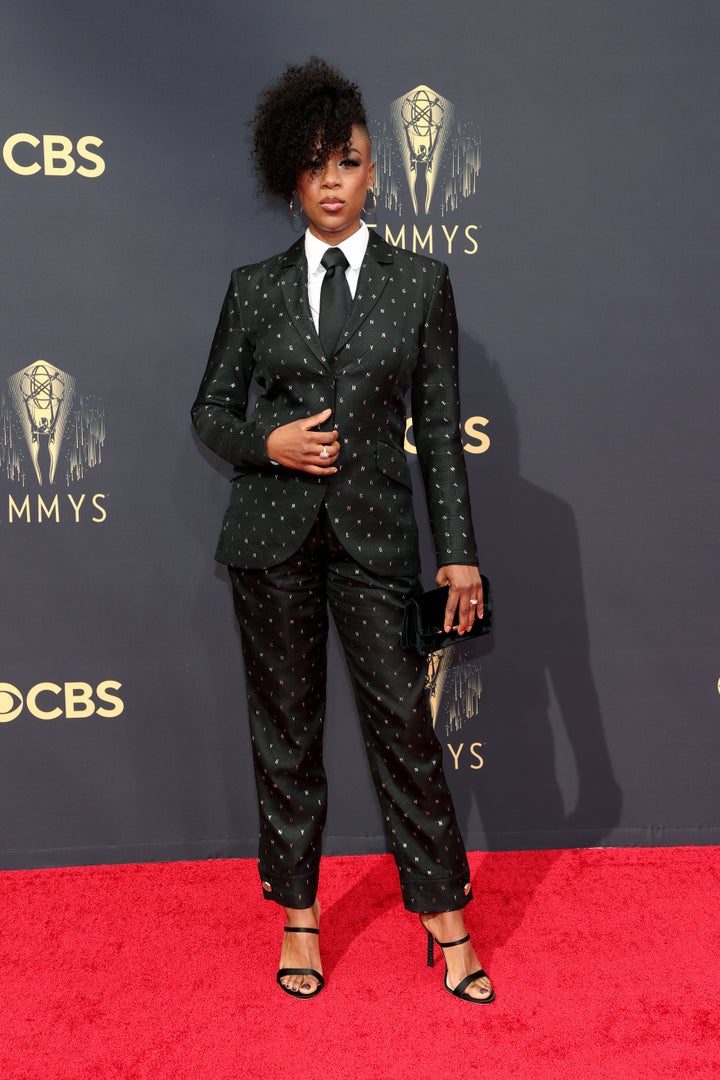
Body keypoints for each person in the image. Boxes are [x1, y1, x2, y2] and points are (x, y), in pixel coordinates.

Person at [191, 57, 493, 1004]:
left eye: (350, 161)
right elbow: (208, 414)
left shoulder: (420, 284)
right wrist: (268, 441)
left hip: (375, 540)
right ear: (291, 174)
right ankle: (299, 919)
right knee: (285, 737)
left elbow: (440, 430)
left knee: (405, 730)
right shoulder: (252, 287)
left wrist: (458, 555)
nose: (332, 179)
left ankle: (445, 921)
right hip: (270, 541)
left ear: (374, 173)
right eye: (315, 163)